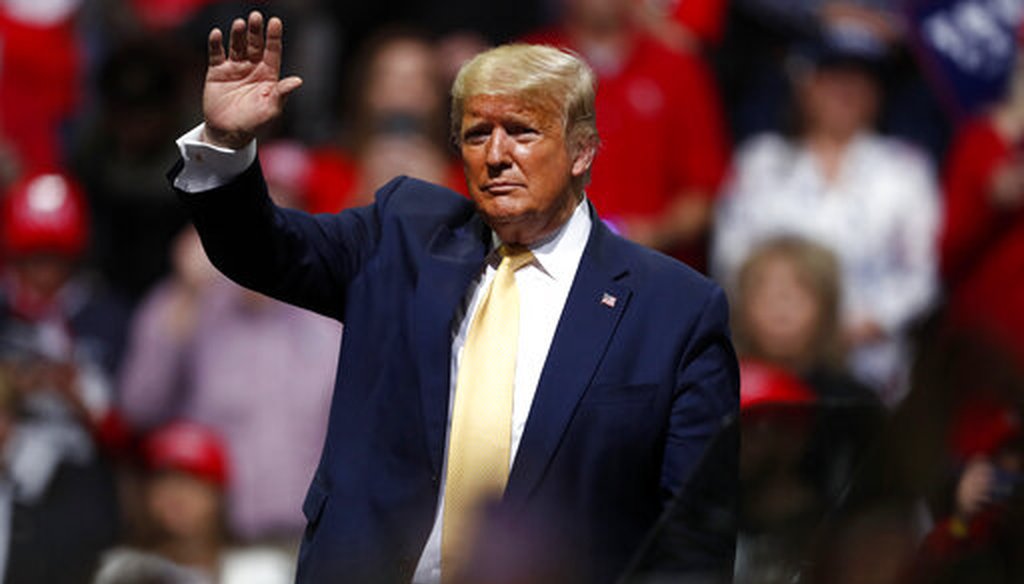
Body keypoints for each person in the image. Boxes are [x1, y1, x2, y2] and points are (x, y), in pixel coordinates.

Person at [170, 12, 738, 583]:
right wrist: (227, 141)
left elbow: (693, 541)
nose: (495, 155)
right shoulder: (402, 236)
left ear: (582, 151)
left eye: (522, 131)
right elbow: (260, 251)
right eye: (475, 134)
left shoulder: (675, 310)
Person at [712, 11, 940, 405]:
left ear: (879, 92)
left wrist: (851, 328)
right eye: (833, 77)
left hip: (871, 370)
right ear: (806, 85)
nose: (846, 91)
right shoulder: (761, 162)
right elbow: (730, 260)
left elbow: (922, 278)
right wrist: (782, 327)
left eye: (861, 80)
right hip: (769, 365)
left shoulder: (906, 170)